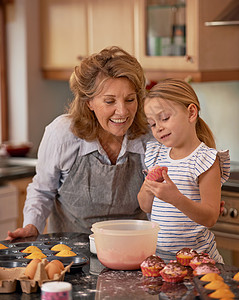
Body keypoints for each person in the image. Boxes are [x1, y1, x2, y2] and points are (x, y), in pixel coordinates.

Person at [6, 46, 152, 240]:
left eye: (130, 99)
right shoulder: (63, 134)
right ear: (89, 102)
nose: (123, 111)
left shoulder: (149, 135)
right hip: (70, 250)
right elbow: (42, 190)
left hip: (132, 248)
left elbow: (156, 203)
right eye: (110, 101)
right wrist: (32, 226)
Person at [137, 78, 230, 263]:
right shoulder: (156, 154)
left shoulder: (206, 160)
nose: (159, 128)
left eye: (164, 118)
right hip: (161, 261)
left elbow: (210, 217)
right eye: (153, 124)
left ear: (191, 113)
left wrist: (176, 198)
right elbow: (145, 206)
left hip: (199, 262)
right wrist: (149, 187)